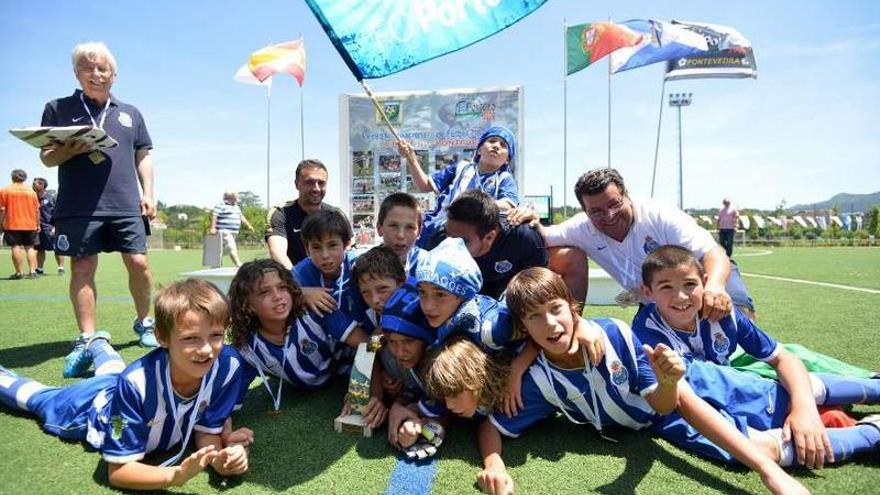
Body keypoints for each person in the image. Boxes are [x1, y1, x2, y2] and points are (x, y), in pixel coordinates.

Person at [427, 266, 816, 495]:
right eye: (533, 317)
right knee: (750, 450)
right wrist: (495, 464)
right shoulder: (539, 381)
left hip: (686, 377)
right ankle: (870, 431)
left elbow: (678, 400)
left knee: (793, 399)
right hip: (661, 411)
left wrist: (772, 476)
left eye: (556, 310)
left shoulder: (612, 336)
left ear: (573, 308)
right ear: (522, 328)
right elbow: (493, 427)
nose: (549, 324)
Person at [634, 245, 880, 468]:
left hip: (738, 389)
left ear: (705, 282)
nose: (681, 297)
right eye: (666, 287)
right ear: (648, 292)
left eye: (690, 284)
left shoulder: (722, 312)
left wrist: (803, 409)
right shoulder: (646, 334)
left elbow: (782, 357)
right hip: (680, 407)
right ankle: (871, 432)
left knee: (794, 374)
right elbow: (678, 401)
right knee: (756, 447)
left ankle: (862, 393)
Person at [0, 279, 252, 490]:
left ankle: (98, 344)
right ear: (162, 338)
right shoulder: (137, 384)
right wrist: (174, 476)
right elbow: (118, 472)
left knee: (117, 375)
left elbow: (207, 429)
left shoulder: (228, 365)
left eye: (216, 335)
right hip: (90, 406)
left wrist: (220, 460)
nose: (207, 349)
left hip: (121, 384)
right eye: (190, 338)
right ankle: (96, 348)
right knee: (34, 397)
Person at [39, 42, 158, 376]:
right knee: (82, 268)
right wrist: (68, 150)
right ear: (76, 73)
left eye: (102, 68)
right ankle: (87, 337)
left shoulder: (130, 113)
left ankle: (144, 322)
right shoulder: (58, 108)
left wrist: (149, 192)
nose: (96, 74)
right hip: (78, 206)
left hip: (125, 203)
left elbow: (143, 154)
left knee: (139, 263)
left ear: (114, 74)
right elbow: (46, 157)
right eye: (87, 68)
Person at [510, 167, 754, 318]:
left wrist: (715, 287)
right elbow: (542, 235)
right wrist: (528, 217)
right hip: (655, 300)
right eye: (596, 211)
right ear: (584, 211)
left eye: (614, 204)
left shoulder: (659, 214)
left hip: (701, 281)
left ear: (626, 194)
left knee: (733, 318)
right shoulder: (581, 228)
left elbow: (714, 253)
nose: (609, 216)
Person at [227, 259, 372, 417]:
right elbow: (226, 402)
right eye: (264, 292)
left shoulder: (315, 312)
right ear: (247, 305)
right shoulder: (248, 348)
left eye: (282, 287)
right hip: (309, 388)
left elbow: (367, 346)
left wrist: (363, 390)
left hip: (348, 370)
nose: (277, 296)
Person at [398, 126, 520, 247]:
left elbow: (508, 205)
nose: (496, 146)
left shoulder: (505, 179)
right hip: (436, 229)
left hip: (470, 240)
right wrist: (411, 159)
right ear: (479, 150)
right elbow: (424, 186)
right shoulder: (461, 167)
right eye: (492, 141)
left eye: (503, 145)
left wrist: (475, 206)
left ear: (507, 159)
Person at [426, 189, 547, 299]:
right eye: (448, 235)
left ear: (489, 237)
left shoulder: (522, 237)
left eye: (462, 242)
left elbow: (540, 289)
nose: (450, 247)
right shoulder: (439, 240)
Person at [293, 209, 371, 346]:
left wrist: (373, 349)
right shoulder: (301, 273)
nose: (325, 255)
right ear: (307, 249)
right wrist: (302, 293)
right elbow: (275, 290)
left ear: (346, 244)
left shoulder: (361, 265)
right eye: (316, 247)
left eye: (332, 245)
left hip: (370, 341)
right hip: (327, 351)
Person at [266, 159, 335, 269]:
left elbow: (347, 250)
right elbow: (277, 253)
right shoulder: (281, 213)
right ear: (297, 184)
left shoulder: (336, 214)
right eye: (309, 182)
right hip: (294, 280)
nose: (316, 188)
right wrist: (298, 281)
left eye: (321, 183)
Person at [0, 169, 40, 279]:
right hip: (30, 224)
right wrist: (38, 224)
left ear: (12, 177)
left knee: (15, 247)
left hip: (12, 224)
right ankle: (32, 272)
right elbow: (37, 210)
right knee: (30, 248)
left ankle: (19, 273)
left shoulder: (5, 190)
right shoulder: (31, 192)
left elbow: (2, 209)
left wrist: (1, 223)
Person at [375, 192, 426, 277]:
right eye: (393, 225)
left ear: (419, 232)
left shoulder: (428, 266)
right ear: (379, 228)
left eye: (410, 227)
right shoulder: (362, 267)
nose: (400, 235)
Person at [210, 190, 255, 268]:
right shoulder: (220, 205)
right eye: (236, 196)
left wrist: (248, 225)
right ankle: (238, 264)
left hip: (233, 232)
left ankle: (215, 265)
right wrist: (213, 228)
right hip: (224, 231)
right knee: (231, 246)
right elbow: (214, 216)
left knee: (224, 249)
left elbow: (241, 217)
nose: (237, 198)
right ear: (230, 197)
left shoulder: (236, 207)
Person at [32, 177, 65, 275]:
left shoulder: (51, 196)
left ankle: (61, 268)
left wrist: (56, 227)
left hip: (50, 227)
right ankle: (40, 269)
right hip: (37, 228)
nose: (33, 185)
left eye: (36, 183)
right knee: (40, 249)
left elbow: (58, 212)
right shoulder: (32, 196)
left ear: (42, 185)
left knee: (56, 248)